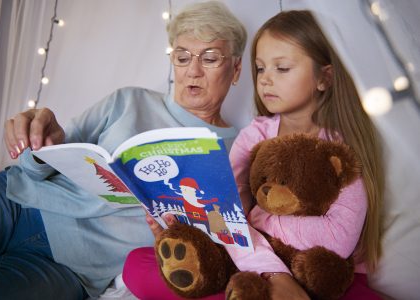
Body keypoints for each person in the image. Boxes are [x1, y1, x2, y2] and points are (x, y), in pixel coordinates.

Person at [0, 1, 246, 299]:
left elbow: (220, 248)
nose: (193, 71)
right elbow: (37, 164)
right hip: (15, 200)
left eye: (210, 58)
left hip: (70, 267)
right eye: (182, 56)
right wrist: (40, 143)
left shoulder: (238, 153)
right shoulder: (128, 100)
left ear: (236, 68)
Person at [125, 9, 385, 300]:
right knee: (137, 264)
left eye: (282, 68)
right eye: (260, 68)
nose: (265, 80)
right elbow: (228, 218)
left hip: (323, 272)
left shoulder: (342, 149)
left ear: (324, 77)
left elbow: (338, 239)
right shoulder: (254, 136)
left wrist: (260, 219)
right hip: (255, 261)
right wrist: (271, 272)